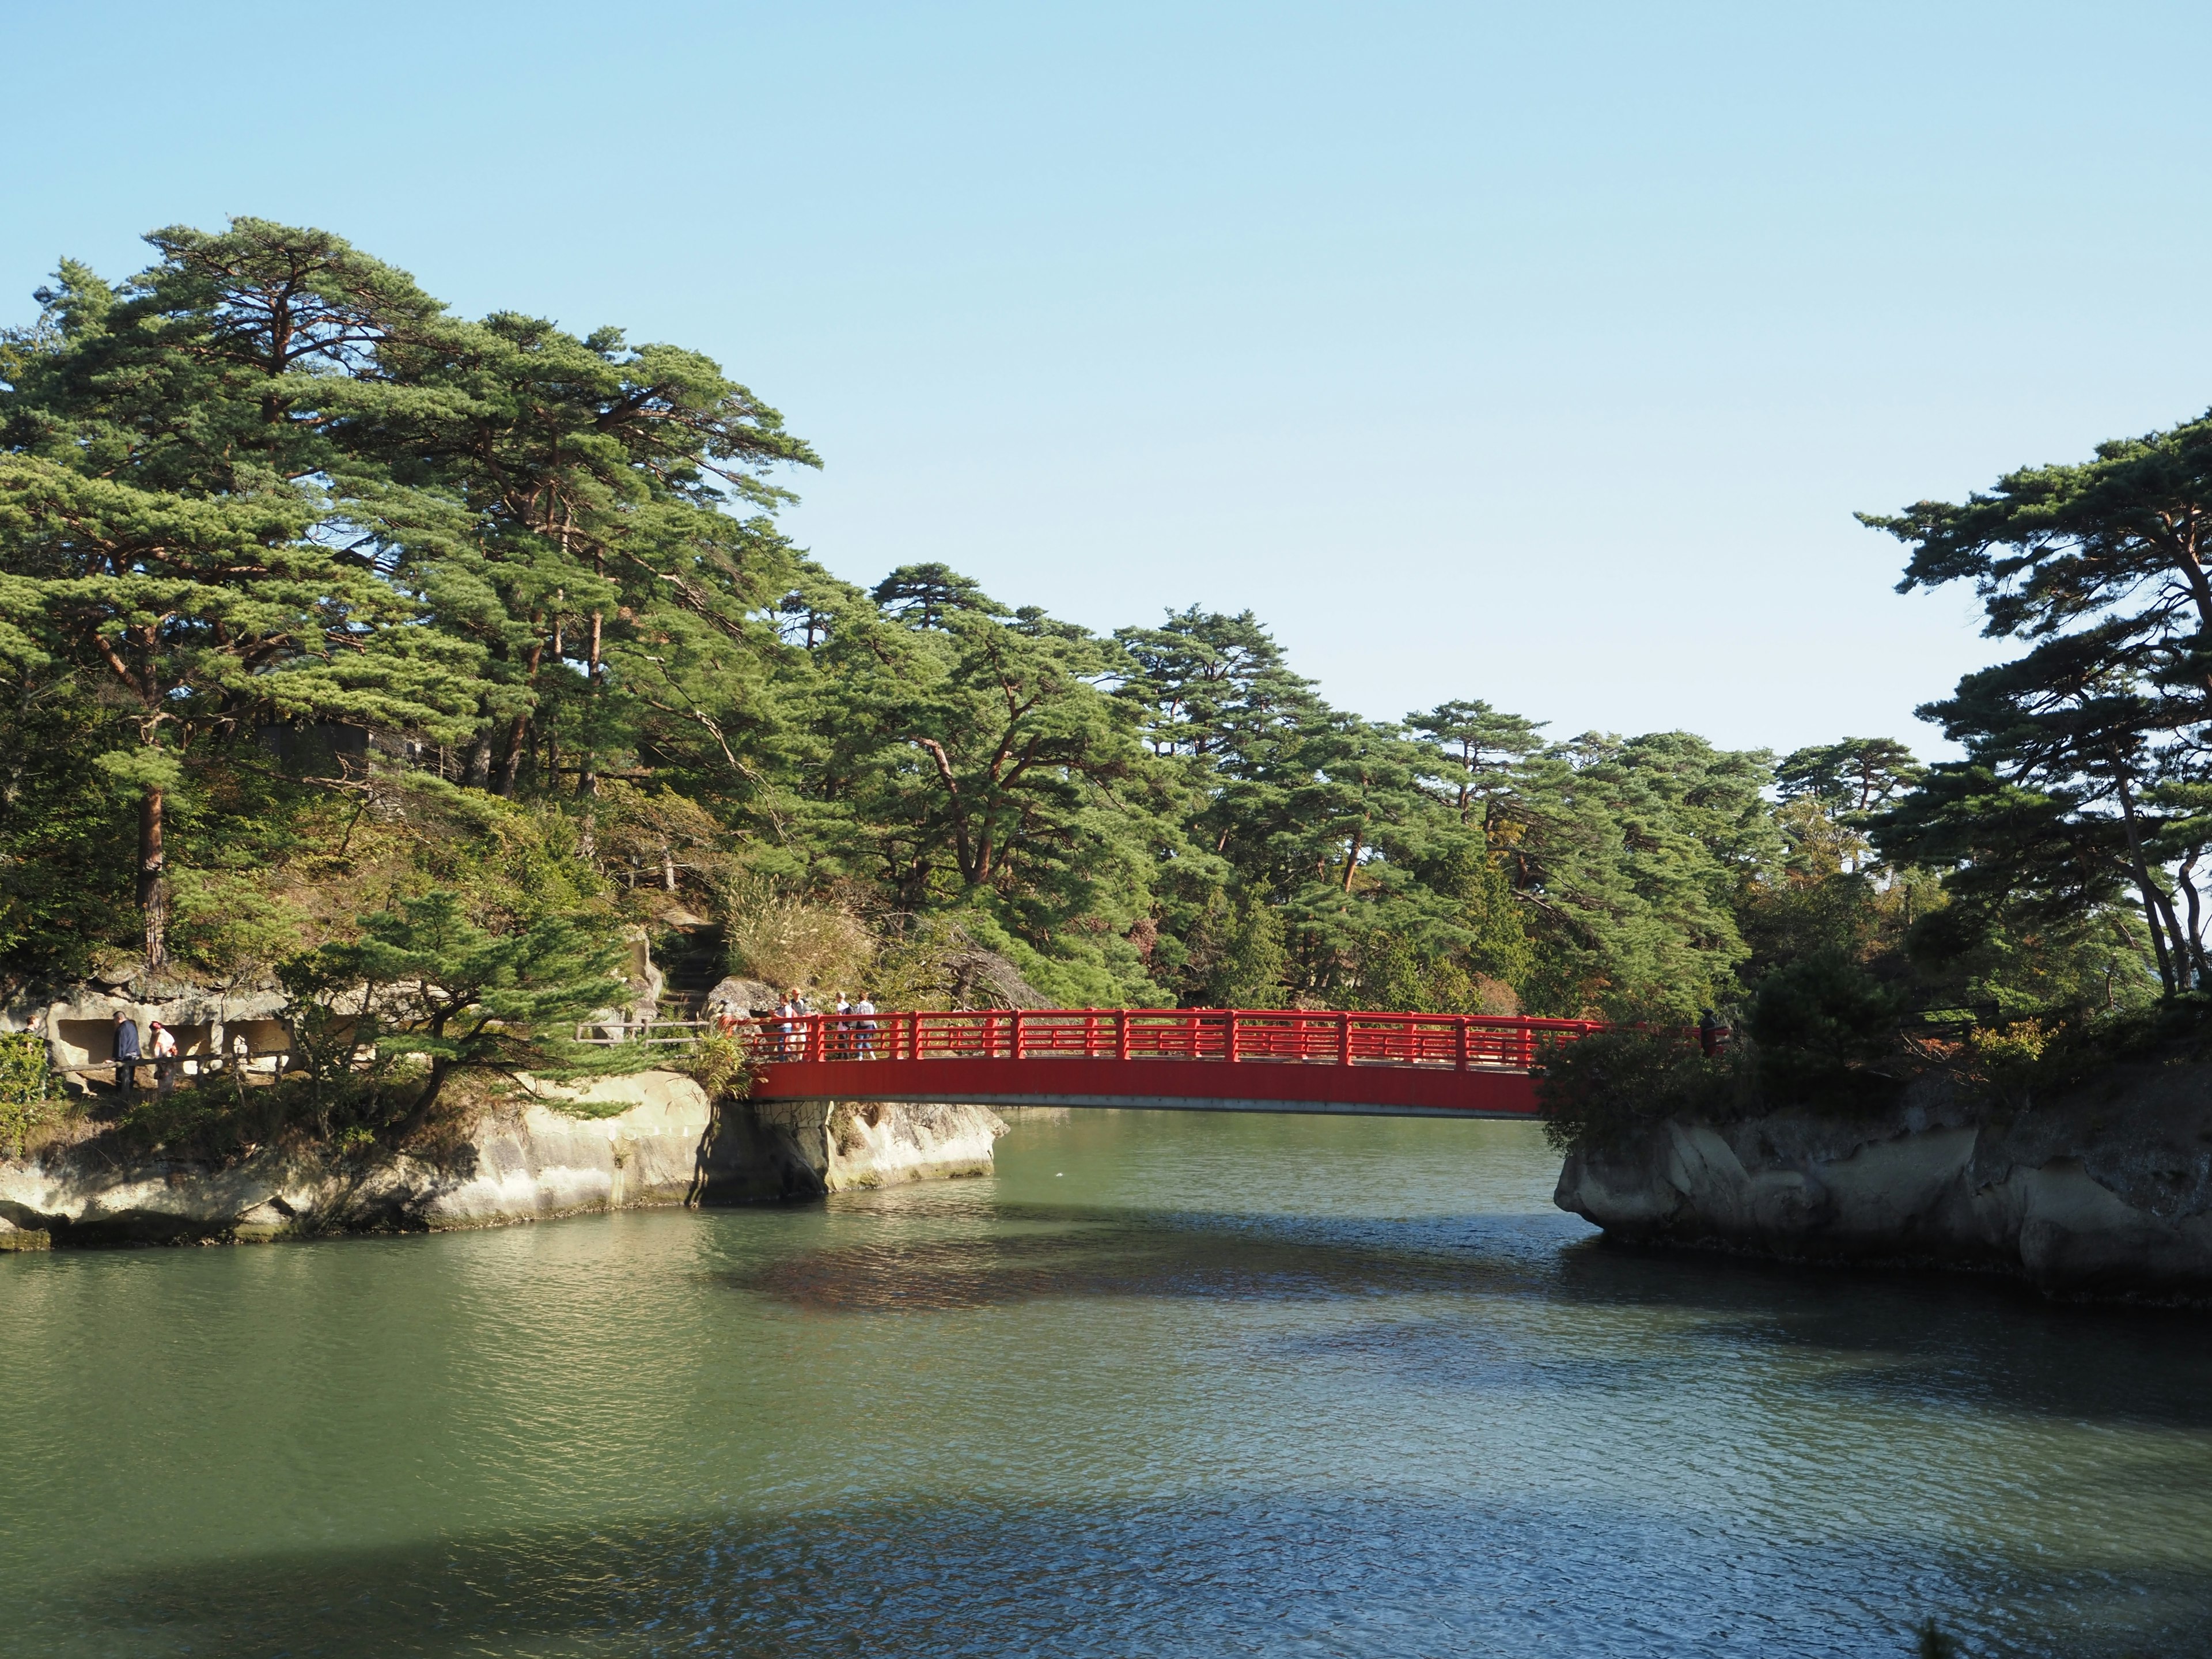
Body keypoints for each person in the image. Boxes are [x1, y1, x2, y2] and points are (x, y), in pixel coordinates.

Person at [112, 1010, 142, 1095]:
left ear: (119, 1018)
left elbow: (121, 1045)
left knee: (121, 1077)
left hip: (125, 1056)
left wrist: (116, 1058)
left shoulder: (121, 1029)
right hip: (134, 1055)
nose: (115, 1023)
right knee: (130, 1076)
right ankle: (130, 1093)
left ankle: (121, 1095)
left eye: (115, 1020)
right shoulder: (132, 1026)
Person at [149, 1020, 179, 1095]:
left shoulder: (161, 1036)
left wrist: (158, 1058)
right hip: (171, 1057)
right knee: (170, 1078)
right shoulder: (168, 1035)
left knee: (164, 1078)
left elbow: (160, 1046)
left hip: (164, 1059)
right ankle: (169, 1094)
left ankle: (164, 1096)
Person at [853, 990, 878, 1057]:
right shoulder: (870, 1005)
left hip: (861, 1025)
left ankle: (860, 1057)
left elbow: (856, 1014)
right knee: (866, 1040)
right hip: (870, 1024)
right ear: (866, 998)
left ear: (859, 998)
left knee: (860, 1041)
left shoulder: (858, 1006)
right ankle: (872, 1053)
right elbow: (873, 1014)